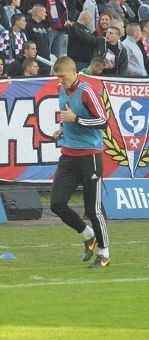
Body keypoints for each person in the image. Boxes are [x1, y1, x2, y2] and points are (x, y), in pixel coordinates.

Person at [51, 57, 110, 268]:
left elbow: (103, 121)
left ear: (74, 71)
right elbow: (66, 115)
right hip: (68, 155)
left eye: (62, 76)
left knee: (93, 210)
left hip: (89, 156)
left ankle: (104, 253)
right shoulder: (62, 90)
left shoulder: (87, 90)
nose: (60, 80)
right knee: (56, 204)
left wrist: (75, 119)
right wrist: (62, 128)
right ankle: (88, 235)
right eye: (57, 77)